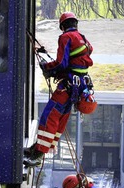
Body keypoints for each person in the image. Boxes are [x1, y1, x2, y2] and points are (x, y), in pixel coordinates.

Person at [23, 12, 94, 167]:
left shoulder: (65, 38)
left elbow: (61, 63)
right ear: (76, 24)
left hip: (68, 86)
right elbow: (77, 62)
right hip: (78, 86)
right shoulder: (83, 39)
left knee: (50, 116)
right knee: (61, 118)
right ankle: (38, 149)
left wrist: (47, 67)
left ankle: (38, 154)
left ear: (62, 26)